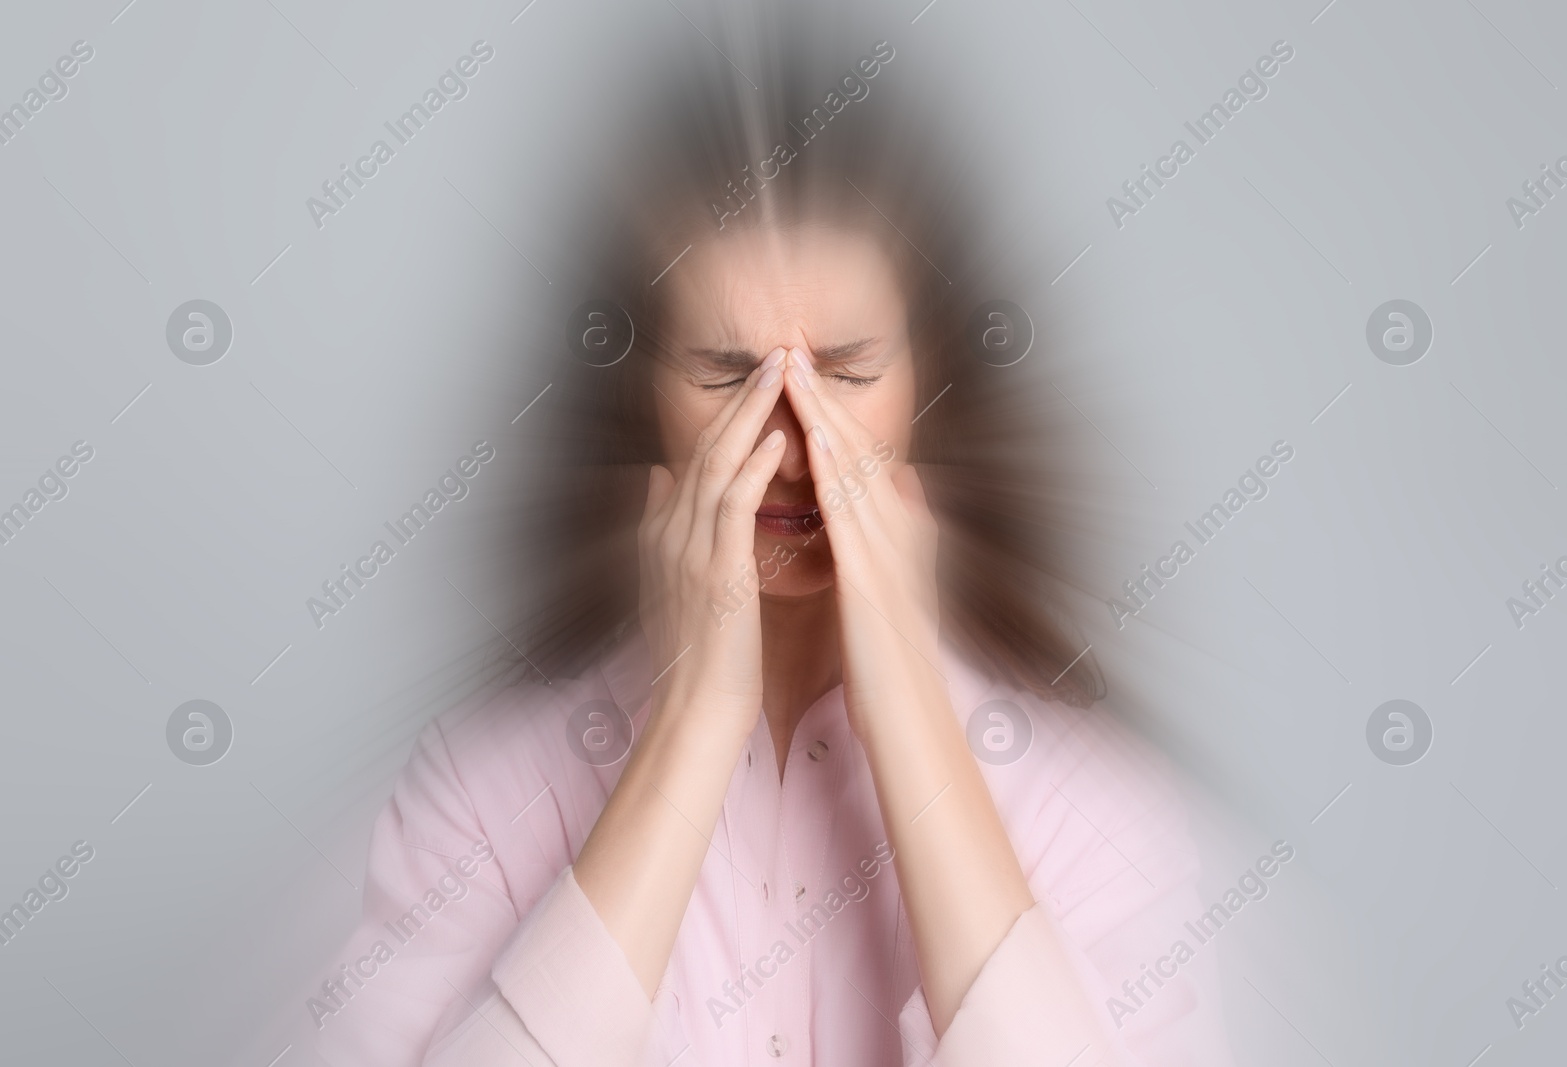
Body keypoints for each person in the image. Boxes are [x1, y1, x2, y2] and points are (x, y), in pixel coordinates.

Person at [312, 36, 1233, 1067]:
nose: (790, 441)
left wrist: (913, 717)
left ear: (928, 385)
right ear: (642, 397)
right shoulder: (480, 792)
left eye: (843, 371)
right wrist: (694, 724)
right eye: (726, 375)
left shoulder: (1099, 812)